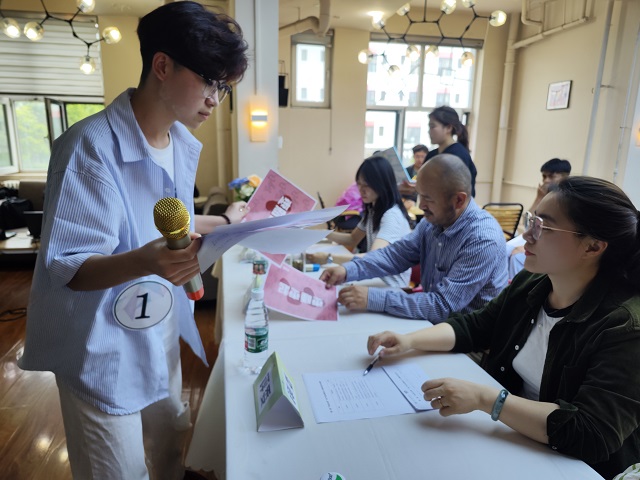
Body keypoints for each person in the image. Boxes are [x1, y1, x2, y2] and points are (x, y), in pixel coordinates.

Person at [18, 3, 248, 479]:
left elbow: (167, 222)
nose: (214, 100)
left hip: (156, 326)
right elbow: (69, 266)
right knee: (117, 471)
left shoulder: (180, 143)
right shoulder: (89, 147)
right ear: (162, 66)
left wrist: (227, 220)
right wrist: (147, 260)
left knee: (169, 452)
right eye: (209, 81)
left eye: (222, 88)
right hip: (100, 343)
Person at [367, 176, 640, 480]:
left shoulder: (625, 326)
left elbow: (592, 432)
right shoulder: (533, 283)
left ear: (593, 246)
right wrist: (409, 341)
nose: (527, 235)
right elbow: (477, 325)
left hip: (574, 466)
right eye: (532, 221)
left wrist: (487, 399)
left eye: (543, 227)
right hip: (518, 440)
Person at [320, 154, 507, 322]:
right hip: (436, 325)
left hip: (468, 339)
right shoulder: (432, 222)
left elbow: (442, 306)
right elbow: (395, 256)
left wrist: (372, 298)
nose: (421, 205)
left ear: (458, 200)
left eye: (428, 198)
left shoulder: (482, 239)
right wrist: (348, 270)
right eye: (419, 196)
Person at [307, 156, 412, 288]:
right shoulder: (373, 209)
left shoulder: (391, 216)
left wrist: (328, 257)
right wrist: (322, 234)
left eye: (366, 185)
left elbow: (373, 258)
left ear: (382, 184)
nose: (361, 190)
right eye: (359, 184)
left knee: (330, 284)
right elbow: (352, 239)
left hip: (391, 285)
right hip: (375, 277)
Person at [507, 159, 572, 279]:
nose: (546, 180)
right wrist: (538, 198)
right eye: (544, 176)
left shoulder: (568, 200)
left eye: (551, 176)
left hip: (547, 241)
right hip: (536, 234)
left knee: (516, 257)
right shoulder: (545, 194)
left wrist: (526, 248)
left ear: (565, 177)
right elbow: (528, 224)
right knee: (505, 249)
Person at [425, 106, 477, 197]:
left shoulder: (458, 155)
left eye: (433, 127)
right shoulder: (431, 155)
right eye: (429, 127)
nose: (429, 132)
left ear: (448, 128)